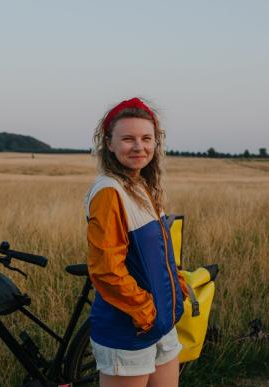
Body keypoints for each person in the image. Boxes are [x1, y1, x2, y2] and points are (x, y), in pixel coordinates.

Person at [85, 97, 188, 387]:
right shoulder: (109, 191)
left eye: (146, 138)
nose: (139, 146)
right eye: (128, 138)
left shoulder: (141, 185)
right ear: (109, 143)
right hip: (129, 328)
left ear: (156, 143)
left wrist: (175, 290)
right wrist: (147, 313)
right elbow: (106, 270)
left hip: (161, 324)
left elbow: (161, 252)